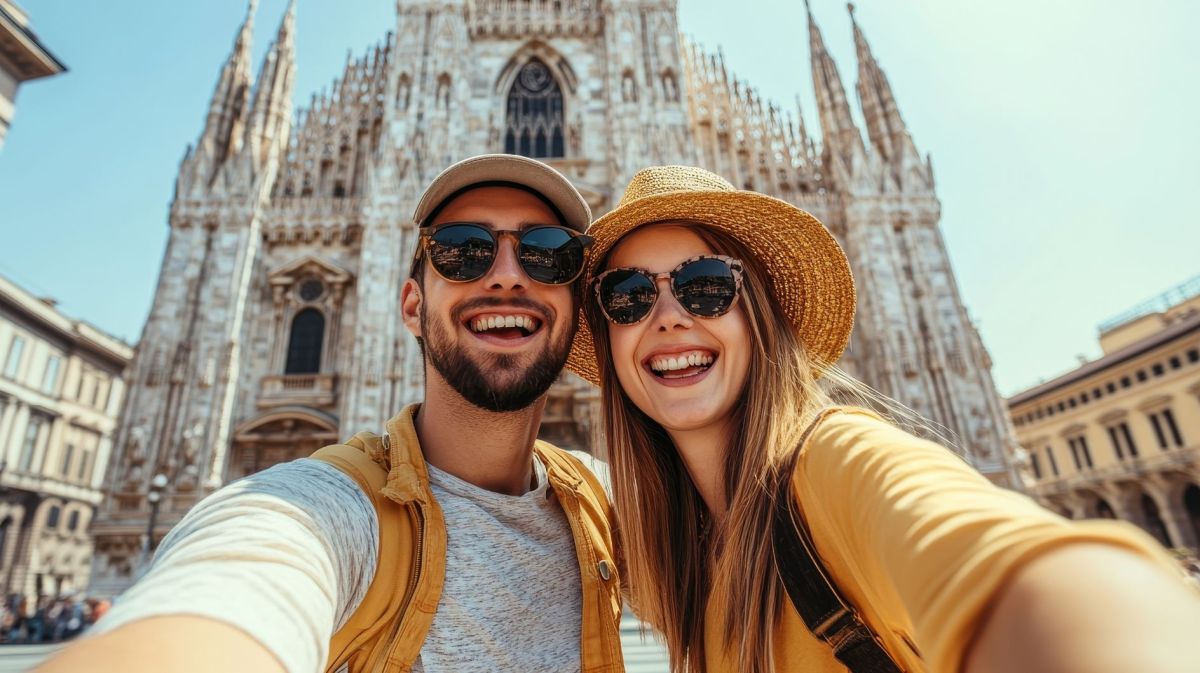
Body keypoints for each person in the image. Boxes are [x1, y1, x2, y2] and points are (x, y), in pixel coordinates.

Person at [565, 165, 1200, 673]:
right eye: (627, 295)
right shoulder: (687, 552)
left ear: (763, 315)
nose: (668, 317)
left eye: (705, 285)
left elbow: (1041, 580)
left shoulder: (831, 466)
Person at [39, 155, 624, 673]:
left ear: (578, 309)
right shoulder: (321, 512)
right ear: (412, 307)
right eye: (462, 251)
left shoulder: (602, 503)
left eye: (551, 255)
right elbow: (234, 586)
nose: (507, 274)